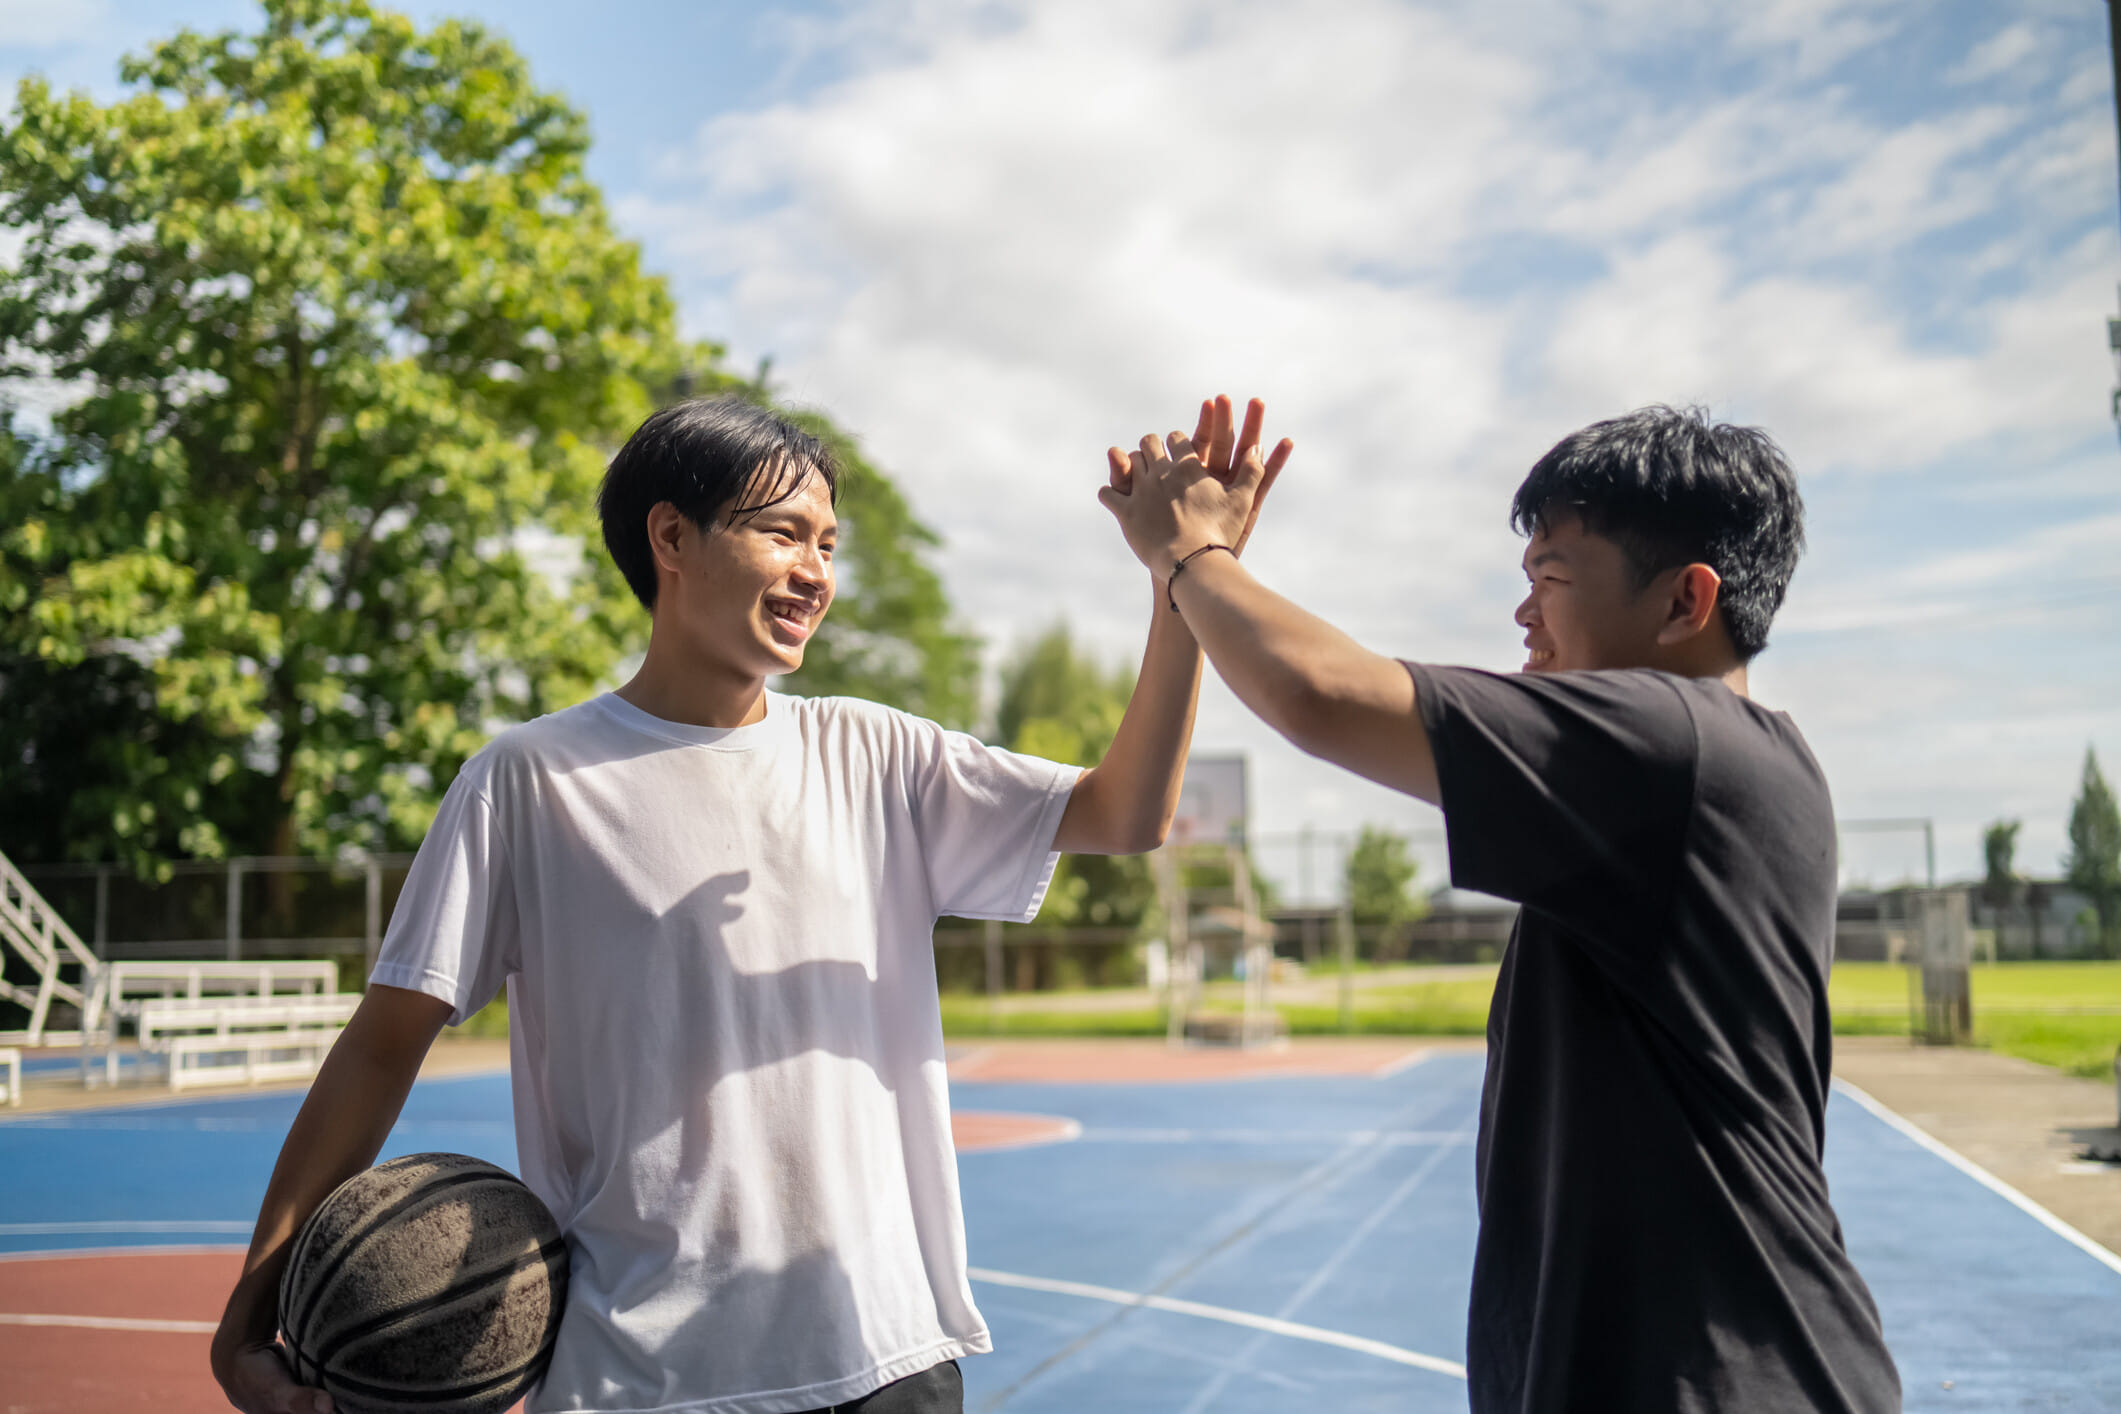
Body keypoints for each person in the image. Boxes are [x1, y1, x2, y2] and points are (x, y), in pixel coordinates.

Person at [210, 395, 1290, 1414]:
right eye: (784, 533)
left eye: (828, 544)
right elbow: (382, 1044)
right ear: (671, 539)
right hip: (641, 1373)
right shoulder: (528, 781)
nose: (815, 570)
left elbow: (1129, 810)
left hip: (885, 1355)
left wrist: (1181, 576)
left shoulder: (876, 753)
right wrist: (247, 1318)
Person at [1097, 403, 1901, 1412]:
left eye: (1554, 580)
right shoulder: (1710, 765)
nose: (1526, 616)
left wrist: (1191, 552)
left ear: (1685, 601)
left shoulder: (1674, 744)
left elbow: (1321, 693)